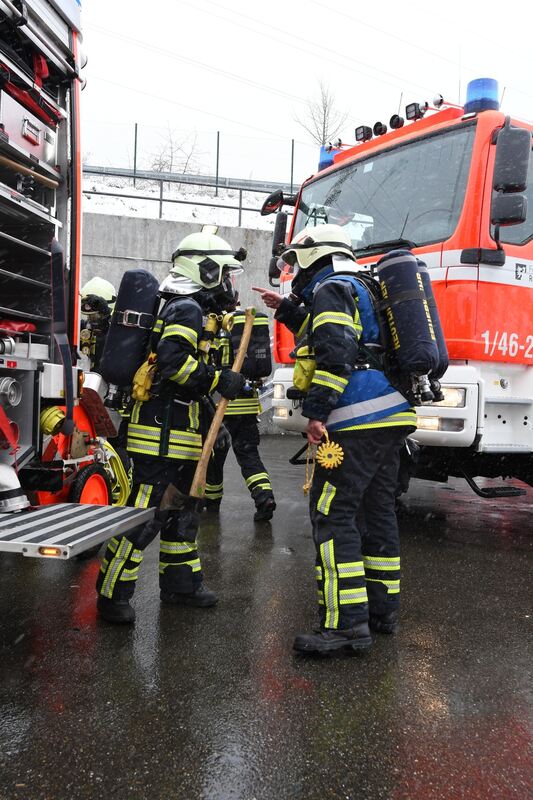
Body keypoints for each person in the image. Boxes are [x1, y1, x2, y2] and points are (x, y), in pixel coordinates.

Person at [254, 224, 416, 655]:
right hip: (391, 416)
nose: (292, 269)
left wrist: (317, 413)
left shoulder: (331, 289)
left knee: (332, 515)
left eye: (295, 261)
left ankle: (345, 625)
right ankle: (381, 612)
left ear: (313, 256)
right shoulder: (362, 285)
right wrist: (287, 309)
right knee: (377, 511)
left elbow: (336, 353)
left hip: (355, 418)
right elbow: (351, 339)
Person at [96, 229, 246, 624]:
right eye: (225, 273)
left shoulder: (187, 307)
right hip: (158, 437)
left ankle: (181, 585)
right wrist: (220, 380)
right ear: (206, 270)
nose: (229, 283)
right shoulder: (185, 309)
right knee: (145, 516)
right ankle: (112, 593)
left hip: (179, 435)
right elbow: (175, 365)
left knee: (181, 513)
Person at [205, 296, 276, 522]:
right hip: (247, 407)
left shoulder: (215, 328)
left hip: (221, 408)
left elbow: (207, 366)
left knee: (214, 459)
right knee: (249, 456)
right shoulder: (248, 324)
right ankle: (264, 497)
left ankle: (212, 502)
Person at [80, 277, 117, 372]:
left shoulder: (117, 332)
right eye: (88, 316)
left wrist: (106, 317)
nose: (90, 319)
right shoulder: (85, 329)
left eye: (93, 315)